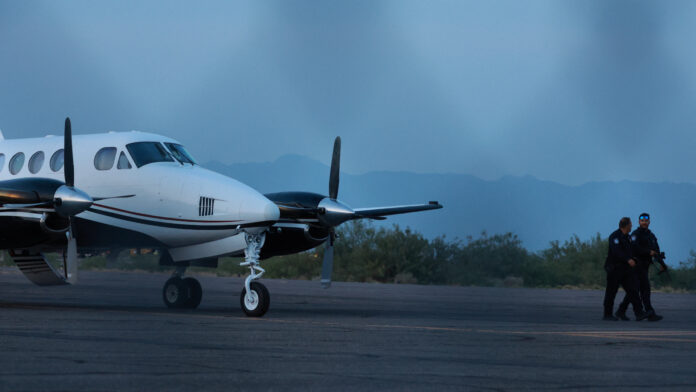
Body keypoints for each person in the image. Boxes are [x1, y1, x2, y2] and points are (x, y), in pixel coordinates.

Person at [615, 213, 663, 321]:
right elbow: (634, 248)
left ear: (649, 222)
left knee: (634, 290)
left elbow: (656, 249)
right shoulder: (635, 234)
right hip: (637, 266)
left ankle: (621, 311)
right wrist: (648, 252)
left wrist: (659, 259)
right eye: (642, 221)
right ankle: (649, 313)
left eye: (646, 221)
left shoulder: (651, 235)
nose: (644, 222)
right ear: (639, 222)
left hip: (645, 266)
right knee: (644, 289)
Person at [603, 217, 649, 321]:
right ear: (626, 225)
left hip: (626, 270)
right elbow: (616, 252)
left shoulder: (628, 238)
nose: (632, 226)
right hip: (614, 269)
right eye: (631, 224)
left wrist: (636, 259)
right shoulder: (614, 236)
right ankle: (607, 314)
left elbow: (632, 250)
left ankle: (639, 313)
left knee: (633, 290)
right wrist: (628, 259)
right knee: (611, 292)